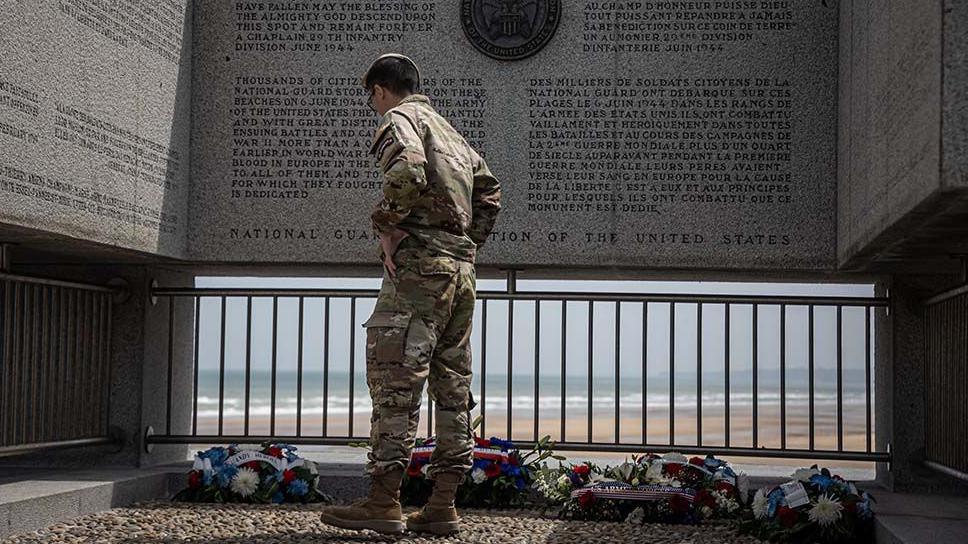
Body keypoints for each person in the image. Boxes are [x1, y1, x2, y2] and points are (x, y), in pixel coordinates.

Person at [318, 53, 502, 535]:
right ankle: (442, 506)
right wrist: (462, 245)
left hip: (420, 274)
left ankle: (383, 502)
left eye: (372, 98)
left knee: (396, 381)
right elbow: (490, 193)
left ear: (380, 91)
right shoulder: (453, 134)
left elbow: (408, 175)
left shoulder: (399, 120)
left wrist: (387, 227)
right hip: (460, 275)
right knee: (452, 387)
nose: (374, 106)